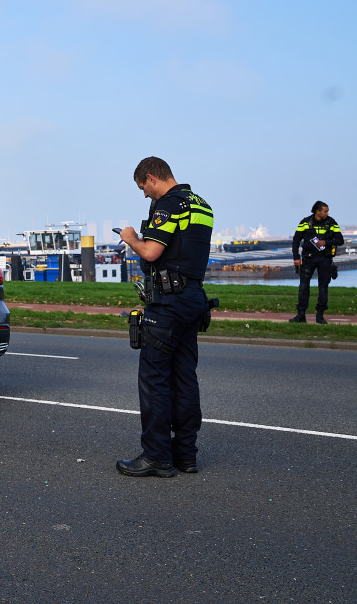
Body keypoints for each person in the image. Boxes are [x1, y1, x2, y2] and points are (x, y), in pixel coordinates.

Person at [118, 157, 214, 478]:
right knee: (185, 377)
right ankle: (186, 455)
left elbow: (151, 253)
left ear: (151, 178)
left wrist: (131, 237)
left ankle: (157, 456)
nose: (144, 195)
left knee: (154, 378)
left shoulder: (169, 205)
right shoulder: (201, 205)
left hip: (169, 303)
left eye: (143, 188)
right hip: (194, 299)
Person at [290, 201, 344, 324]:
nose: (327, 213)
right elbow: (296, 240)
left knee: (323, 287)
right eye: (325, 211)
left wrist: (326, 242)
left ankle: (320, 316)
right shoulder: (305, 222)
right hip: (308, 259)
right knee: (303, 286)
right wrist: (296, 257)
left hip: (325, 259)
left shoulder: (331, 222)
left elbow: (340, 240)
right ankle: (301, 315)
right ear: (317, 211)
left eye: (327, 211)